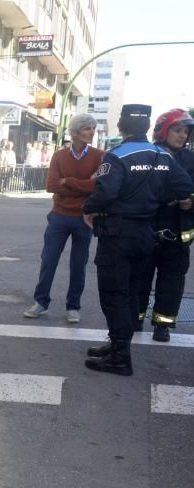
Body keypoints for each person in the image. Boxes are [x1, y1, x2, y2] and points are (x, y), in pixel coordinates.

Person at [82, 105, 194, 375]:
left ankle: (120, 356)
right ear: (147, 128)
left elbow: (106, 192)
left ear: (120, 126)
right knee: (131, 292)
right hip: (145, 234)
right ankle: (117, 345)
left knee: (114, 294)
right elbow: (184, 189)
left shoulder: (117, 155)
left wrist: (88, 209)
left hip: (119, 234)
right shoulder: (163, 156)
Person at [23, 114, 102, 323]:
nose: (92, 132)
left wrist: (68, 182)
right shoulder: (59, 156)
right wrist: (85, 185)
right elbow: (51, 186)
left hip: (84, 218)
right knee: (48, 260)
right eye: (87, 128)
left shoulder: (99, 156)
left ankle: (73, 306)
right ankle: (41, 302)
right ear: (75, 132)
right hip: (59, 216)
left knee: (79, 264)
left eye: (93, 128)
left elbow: (98, 186)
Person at [133, 108, 194, 342]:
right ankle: (135, 318)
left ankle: (162, 325)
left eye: (186, 132)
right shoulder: (148, 155)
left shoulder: (191, 160)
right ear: (163, 131)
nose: (182, 136)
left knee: (172, 282)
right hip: (148, 229)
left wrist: (190, 203)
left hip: (178, 232)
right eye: (177, 130)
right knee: (139, 278)